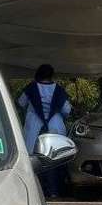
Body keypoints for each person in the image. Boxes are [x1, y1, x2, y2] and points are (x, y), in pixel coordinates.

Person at [18, 64, 72, 198]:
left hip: (34, 129)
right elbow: (67, 110)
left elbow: (20, 103)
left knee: (33, 161)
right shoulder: (58, 90)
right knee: (54, 160)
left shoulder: (31, 88)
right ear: (51, 75)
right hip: (55, 128)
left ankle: (34, 192)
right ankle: (54, 191)